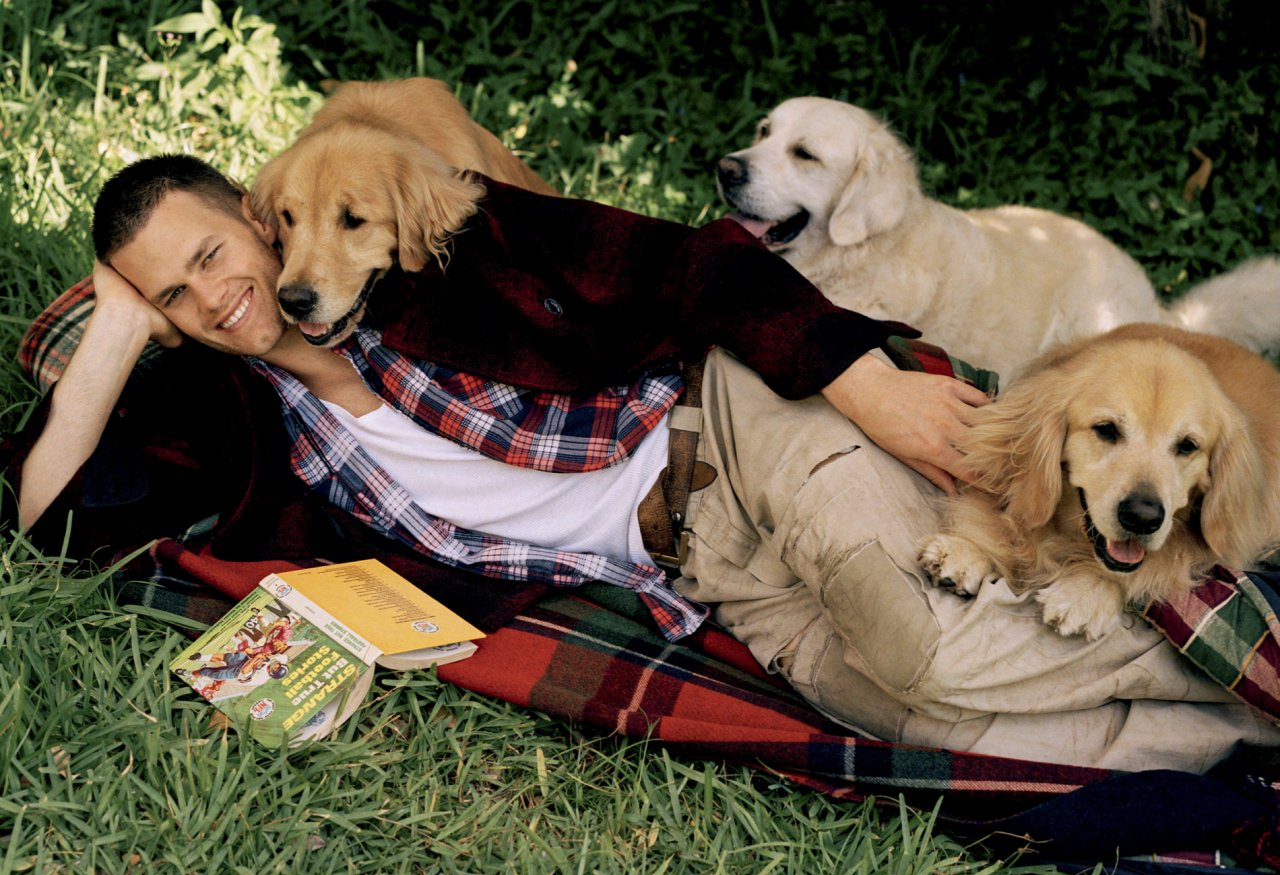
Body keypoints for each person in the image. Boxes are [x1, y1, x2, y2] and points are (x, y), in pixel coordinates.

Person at [5, 155, 1276, 773]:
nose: (227, 297)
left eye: (220, 252)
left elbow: (690, 263)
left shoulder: (436, 235)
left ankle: (1230, 636)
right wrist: (115, 332)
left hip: (725, 421)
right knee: (924, 733)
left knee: (925, 645)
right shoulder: (239, 425)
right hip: (694, 562)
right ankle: (1227, 720)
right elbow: (53, 513)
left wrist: (855, 375)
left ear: (258, 208)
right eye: (178, 295)